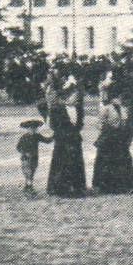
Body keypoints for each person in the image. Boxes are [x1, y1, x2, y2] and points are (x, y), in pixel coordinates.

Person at [44, 68, 88, 198]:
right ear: (67, 96)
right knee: (61, 163)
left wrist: (76, 131)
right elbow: (53, 125)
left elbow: (80, 123)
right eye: (74, 95)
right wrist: (63, 133)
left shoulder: (78, 109)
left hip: (74, 138)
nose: (76, 98)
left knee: (76, 163)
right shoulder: (57, 109)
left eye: (77, 96)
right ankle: (59, 188)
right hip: (63, 139)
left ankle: (78, 187)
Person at [90, 87, 133, 195]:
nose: (118, 100)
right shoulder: (106, 108)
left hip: (120, 137)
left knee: (123, 160)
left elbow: (126, 123)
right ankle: (104, 186)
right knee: (106, 161)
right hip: (109, 137)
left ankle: (124, 185)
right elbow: (100, 124)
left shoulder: (123, 109)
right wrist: (107, 130)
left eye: (119, 98)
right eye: (116, 97)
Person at [16, 117, 50, 196]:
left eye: (34, 128)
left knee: (32, 171)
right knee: (28, 171)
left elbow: (46, 140)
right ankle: (29, 187)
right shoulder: (24, 137)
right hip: (26, 158)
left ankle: (28, 186)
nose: (33, 130)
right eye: (31, 128)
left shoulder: (37, 136)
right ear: (27, 129)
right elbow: (18, 147)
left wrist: (54, 136)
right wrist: (25, 153)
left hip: (34, 157)